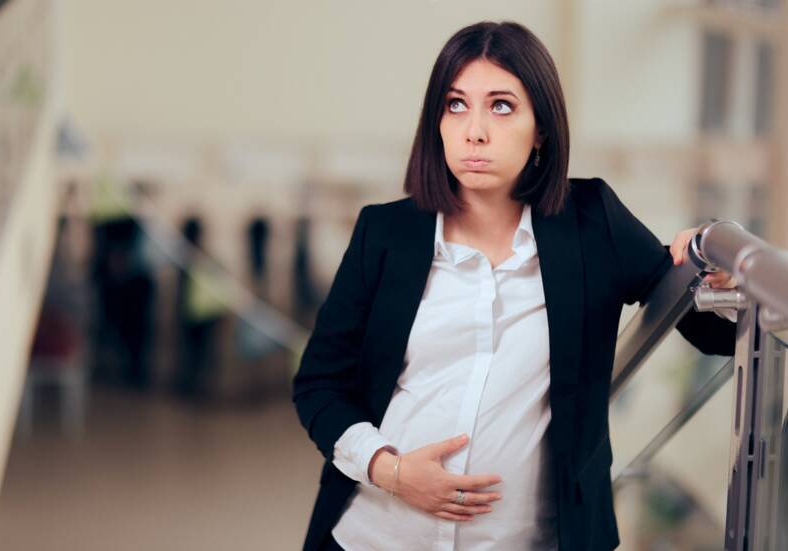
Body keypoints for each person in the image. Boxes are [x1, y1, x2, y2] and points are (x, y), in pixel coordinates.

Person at [291, 21, 737, 551]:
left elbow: (715, 335)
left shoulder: (592, 223)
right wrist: (389, 469)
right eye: (456, 105)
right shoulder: (384, 233)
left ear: (540, 129)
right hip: (376, 535)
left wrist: (715, 266)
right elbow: (318, 385)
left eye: (501, 106)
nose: (474, 130)